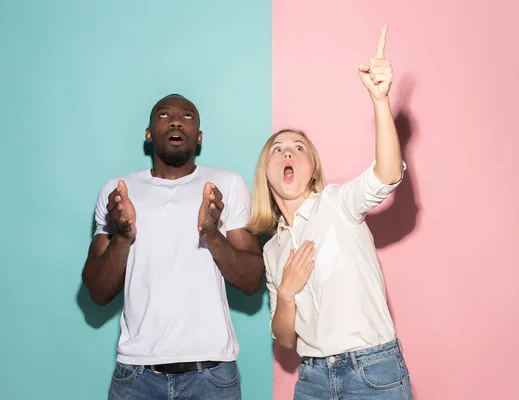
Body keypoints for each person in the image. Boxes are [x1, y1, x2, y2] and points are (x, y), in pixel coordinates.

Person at [246, 25, 413, 399]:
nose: (288, 152)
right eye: (278, 149)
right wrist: (286, 292)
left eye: (298, 148)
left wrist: (380, 102)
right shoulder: (272, 250)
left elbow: (386, 175)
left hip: (373, 371)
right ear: (266, 173)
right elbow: (285, 337)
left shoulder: (337, 203)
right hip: (312, 380)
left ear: (312, 169)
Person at [81, 93, 264, 400]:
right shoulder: (118, 192)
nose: (177, 120)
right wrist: (124, 234)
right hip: (136, 376)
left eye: (188, 116)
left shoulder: (226, 185)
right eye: (165, 115)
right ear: (149, 133)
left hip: (211, 375)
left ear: (199, 136)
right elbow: (97, 292)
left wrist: (212, 234)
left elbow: (252, 281)